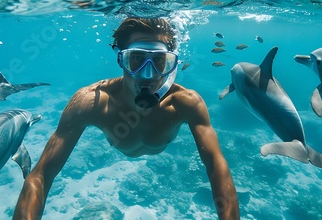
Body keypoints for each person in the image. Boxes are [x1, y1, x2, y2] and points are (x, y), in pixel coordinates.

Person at [13, 17, 240, 219]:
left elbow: (216, 165)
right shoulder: (90, 102)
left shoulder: (186, 102)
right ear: (120, 60)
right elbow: (41, 175)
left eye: (159, 61)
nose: (148, 74)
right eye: (137, 60)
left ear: (171, 65)